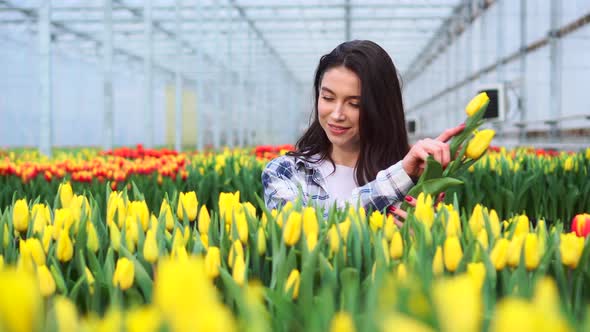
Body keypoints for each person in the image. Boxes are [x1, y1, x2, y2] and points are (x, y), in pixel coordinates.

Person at [261, 40, 464, 218]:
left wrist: (421, 236)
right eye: (328, 98)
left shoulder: (416, 180)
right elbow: (308, 234)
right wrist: (399, 177)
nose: (337, 114)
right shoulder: (286, 172)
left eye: (355, 104)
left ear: (381, 108)